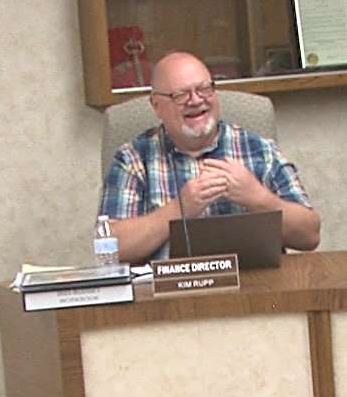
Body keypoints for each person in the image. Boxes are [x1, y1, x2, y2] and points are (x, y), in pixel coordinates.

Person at [99, 51, 320, 263]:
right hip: (170, 295)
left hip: (254, 293)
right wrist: (179, 210)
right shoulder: (133, 159)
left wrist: (257, 197)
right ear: (156, 106)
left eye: (204, 89)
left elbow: (310, 236)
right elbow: (110, 249)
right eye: (181, 95)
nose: (196, 100)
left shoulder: (260, 150)